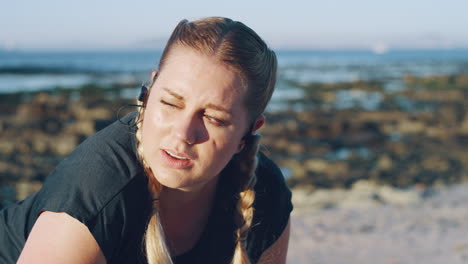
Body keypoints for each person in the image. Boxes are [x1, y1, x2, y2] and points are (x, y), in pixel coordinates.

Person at [0, 17, 293, 264]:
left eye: (213, 118)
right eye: (170, 103)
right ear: (149, 92)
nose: (182, 133)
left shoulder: (263, 195)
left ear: (248, 133)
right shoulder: (98, 194)